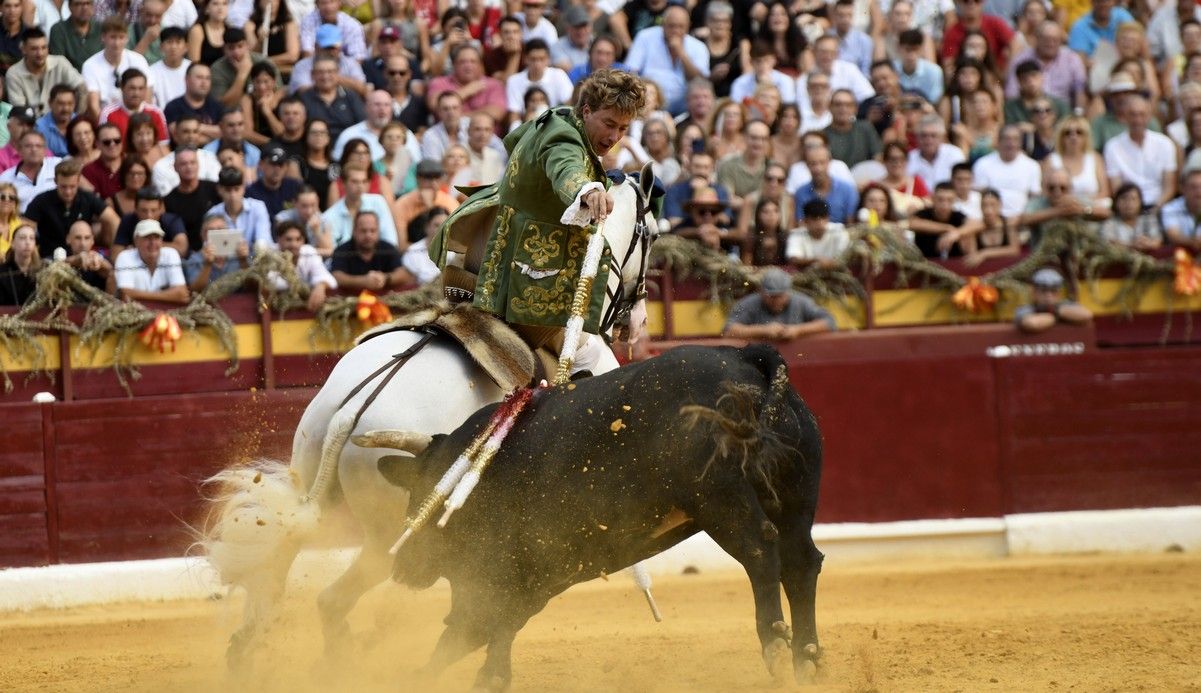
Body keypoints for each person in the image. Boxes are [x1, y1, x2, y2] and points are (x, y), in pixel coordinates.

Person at [429, 68, 646, 372]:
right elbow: (565, 168)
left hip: (495, 245)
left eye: (623, 129)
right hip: (517, 269)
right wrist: (588, 189)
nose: (614, 137)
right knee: (586, 355)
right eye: (609, 123)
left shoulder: (557, 119)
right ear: (586, 111)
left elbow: (514, 141)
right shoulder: (562, 135)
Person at [624, 5, 709, 115]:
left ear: (688, 27)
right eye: (672, 26)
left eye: (681, 27)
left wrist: (681, 53)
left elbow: (699, 80)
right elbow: (631, 71)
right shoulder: (645, 37)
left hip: (685, 110)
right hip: (648, 107)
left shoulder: (699, 46)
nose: (676, 31)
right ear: (663, 25)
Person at [24, 159, 120, 256]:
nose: (68, 192)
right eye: (63, 187)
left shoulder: (88, 198)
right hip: (50, 259)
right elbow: (25, 228)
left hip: (83, 257)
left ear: (78, 182)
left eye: (72, 186)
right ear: (55, 181)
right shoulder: (41, 201)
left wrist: (114, 254)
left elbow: (113, 220)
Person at [1103, 94, 1179, 210]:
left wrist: (1156, 208)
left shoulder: (1165, 144)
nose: (1138, 120)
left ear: (1149, 117)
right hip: (1127, 208)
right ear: (1125, 117)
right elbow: (1116, 187)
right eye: (1133, 114)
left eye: (1142, 114)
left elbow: (1169, 187)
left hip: (1159, 206)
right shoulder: (1112, 147)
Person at [722, 266, 835, 341]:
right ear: (761, 292)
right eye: (771, 296)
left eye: (780, 296)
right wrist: (763, 331)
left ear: (788, 292)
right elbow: (728, 331)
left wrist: (798, 330)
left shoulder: (801, 301)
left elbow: (829, 322)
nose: (776, 300)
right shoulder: (749, 303)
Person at [7, 27, 88, 117]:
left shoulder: (60, 62)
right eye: (34, 49)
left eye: (44, 47)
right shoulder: (13, 73)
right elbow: (20, 111)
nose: (40, 53)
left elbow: (82, 88)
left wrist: (76, 119)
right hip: (30, 125)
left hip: (63, 121)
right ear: (23, 49)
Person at [81, 17, 154, 116]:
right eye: (113, 37)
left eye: (121, 37)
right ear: (103, 37)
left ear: (127, 38)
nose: (117, 43)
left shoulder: (139, 60)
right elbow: (94, 107)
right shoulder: (90, 65)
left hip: (137, 121)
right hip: (105, 122)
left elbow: (147, 98)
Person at [330, 209, 413, 290]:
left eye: (373, 231)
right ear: (354, 231)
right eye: (363, 231)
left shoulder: (388, 248)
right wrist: (363, 281)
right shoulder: (342, 250)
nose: (368, 235)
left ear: (378, 231)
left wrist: (385, 278)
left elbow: (403, 274)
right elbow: (337, 276)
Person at [972, 124, 1042, 218]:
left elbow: (1034, 198)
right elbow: (978, 196)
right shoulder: (982, 164)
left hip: (1021, 220)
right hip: (990, 220)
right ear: (999, 141)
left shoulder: (1032, 166)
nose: (1011, 143)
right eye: (1007, 138)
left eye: (1015, 139)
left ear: (1021, 142)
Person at [322, 162, 399, 247]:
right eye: (355, 181)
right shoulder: (328, 217)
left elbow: (391, 241)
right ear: (343, 184)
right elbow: (334, 254)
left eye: (364, 181)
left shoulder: (378, 202)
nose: (360, 186)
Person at [113, 218, 189, 303]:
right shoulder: (125, 257)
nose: (153, 243)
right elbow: (125, 295)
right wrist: (169, 295)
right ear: (136, 241)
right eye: (147, 238)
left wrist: (138, 295)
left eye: (157, 238)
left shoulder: (171, 254)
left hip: (165, 313)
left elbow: (182, 294)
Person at [164, 146, 222, 252]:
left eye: (192, 162)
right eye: (183, 164)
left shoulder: (215, 189)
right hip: (189, 257)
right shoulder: (168, 200)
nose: (189, 167)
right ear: (175, 167)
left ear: (198, 164)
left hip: (218, 250)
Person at [299, 54, 367, 143]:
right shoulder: (304, 98)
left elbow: (362, 125)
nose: (325, 76)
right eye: (320, 72)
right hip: (313, 148)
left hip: (347, 148)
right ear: (312, 75)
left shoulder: (350, 96)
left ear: (338, 73)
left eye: (330, 71)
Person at [271, 219, 335, 310]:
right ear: (278, 240)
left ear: (303, 241)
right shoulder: (269, 254)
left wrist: (321, 286)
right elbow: (273, 284)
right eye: (288, 239)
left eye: (298, 239)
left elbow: (328, 279)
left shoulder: (308, 251)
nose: (294, 244)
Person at [290, 23, 369, 97]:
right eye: (326, 48)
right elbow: (302, 91)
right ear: (316, 47)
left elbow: (363, 90)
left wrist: (333, 78)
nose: (330, 52)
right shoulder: (302, 66)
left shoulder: (350, 63)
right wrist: (329, 81)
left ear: (340, 47)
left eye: (333, 48)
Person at [110, 186, 189, 257]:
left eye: (154, 210)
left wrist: (142, 246)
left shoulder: (172, 221)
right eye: (144, 211)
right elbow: (115, 254)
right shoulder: (128, 221)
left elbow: (182, 249)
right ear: (136, 209)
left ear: (161, 209)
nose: (149, 216)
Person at [152, 115, 222, 195]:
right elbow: (166, 199)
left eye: (195, 131)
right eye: (186, 132)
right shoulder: (161, 166)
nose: (191, 136)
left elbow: (216, 189)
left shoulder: (210, 158)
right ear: (175, 135)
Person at [207, 166, 273, 248]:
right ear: (219, 190)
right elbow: (210, 245)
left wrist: (259, 248)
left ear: (243, 188)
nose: (232, 195)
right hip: (224, 260)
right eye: (228, 190)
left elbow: (263, 239)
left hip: (254, 259)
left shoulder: (258, 207)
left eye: (236, 189)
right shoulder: (212, 214)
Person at [793, 143, 858, 225]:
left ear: (829, 162)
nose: (818, 168)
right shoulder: (801, 192)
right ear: (807, 165)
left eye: (822, 162)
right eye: (813, 163)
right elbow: (801, 224)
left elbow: (850, 222)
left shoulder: (847, 190)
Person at [182, 213, 250, 291]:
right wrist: (207, 265)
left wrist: (243, 261)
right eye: (211, 230)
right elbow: (196, 290)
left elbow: (251, 287)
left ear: (227, 232)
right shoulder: (195, 259)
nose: (217, 234)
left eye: (221, 229)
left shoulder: (239, 254)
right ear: (203, 235)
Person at [1014, 267, 1092, 333]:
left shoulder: (1065, 305)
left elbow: (1086, 315)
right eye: (1043, 291)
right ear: (1034, 293)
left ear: (1059, 293)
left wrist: (1055, 310)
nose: (1048, 295)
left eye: (1053, 291)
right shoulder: (1026, 308)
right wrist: (1054, 316)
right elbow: (1031, 323)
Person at [100, 68, 169, 142]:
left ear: (146, 89)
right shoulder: (108, 114)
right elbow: (103, 144)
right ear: (122, 87)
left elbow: (163, 145)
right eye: (132, 88)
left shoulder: (156, 113)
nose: (136, 93)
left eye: (141, 88)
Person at [0, 130, 60, 213]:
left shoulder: (58, 165)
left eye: (38, 146)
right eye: (28, 146)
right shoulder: (5, 178)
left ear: (45, 150)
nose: (34, 149)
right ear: (19, 150)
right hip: (20, 222)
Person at [163, 63, 224, 142]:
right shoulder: (173, 107)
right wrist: (212, 135)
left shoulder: (217, 107)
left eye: (207, 78)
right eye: (199, 77)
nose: (204, 82)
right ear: (186, 79)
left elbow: (224, 132)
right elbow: (178, 136)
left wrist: (194, 128)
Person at [785, 198, 850, 269]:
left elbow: (845, 258)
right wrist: (817, 260)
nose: (820, 223)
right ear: (805, 221)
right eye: (815, 219)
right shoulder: (796, 234)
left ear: (828, 218)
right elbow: (793, 259)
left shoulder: (839, 230)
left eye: (823, 218)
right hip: (806, 276)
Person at [1099, 182, 1163, 251]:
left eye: (1133, 199)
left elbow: (1157, 241)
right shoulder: (1110, 222)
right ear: (1116, 202)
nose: (1129, 203)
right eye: (1124, 199)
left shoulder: (1148, 219)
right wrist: (1131, 245)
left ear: (1140, 202)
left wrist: (1147, 243)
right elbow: (1108, 243)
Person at [273, 185, 333, 257]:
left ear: (318, 201)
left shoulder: (324, 219)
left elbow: (330, 251)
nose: (309, 211)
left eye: (313, 205)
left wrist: (316, 231)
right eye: (304, 206)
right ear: (294, 203)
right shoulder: (282, 219)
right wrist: (310, 251)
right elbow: (280, 248)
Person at [49, 0, 104, 72]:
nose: (84, 8)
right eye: (78, 4)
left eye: (88, 3)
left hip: (98, 77)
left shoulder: (102, 28)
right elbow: (58, 64)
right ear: (69, 7)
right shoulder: (58, 30)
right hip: (69, 80)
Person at [64, 220, 115, 294]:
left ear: (92, 240)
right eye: (78, 238)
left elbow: (113, 272)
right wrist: (74, 260)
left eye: (87, 238)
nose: (83, 243)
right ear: (68, 239)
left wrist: (101, 263)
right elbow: (49, 267)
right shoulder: (61, 254)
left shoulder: (99, 257)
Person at [401, 205, 446, 285]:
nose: (441, 230)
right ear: (427, 227)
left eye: (445, 225)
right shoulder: (412, 253)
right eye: (436, 225)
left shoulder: (456, 253)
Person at [1161, 169, 1201, 253]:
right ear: (1183, 188)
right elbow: (1173, 236)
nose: (1198, 192)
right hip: (1180, 255)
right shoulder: (1169, 209)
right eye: (1193, 187)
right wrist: (1192, 242)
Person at [82, 122, 125, 199]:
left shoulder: (133, 166)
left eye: (117, 140)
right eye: (107, 142)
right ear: (97, 144)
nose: (112, 144)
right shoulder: (88, 171)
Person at [35, 85, 79, 158]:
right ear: (50, 103)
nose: (66, 108)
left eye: (70, 103)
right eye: (61, 103)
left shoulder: (81, 123)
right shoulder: (40, 127)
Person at [0, 224, 39, 305]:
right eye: (22, 238)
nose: (28, 242)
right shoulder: (2, 272)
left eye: (31, 238)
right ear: (12, 243)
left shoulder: (43, 271)